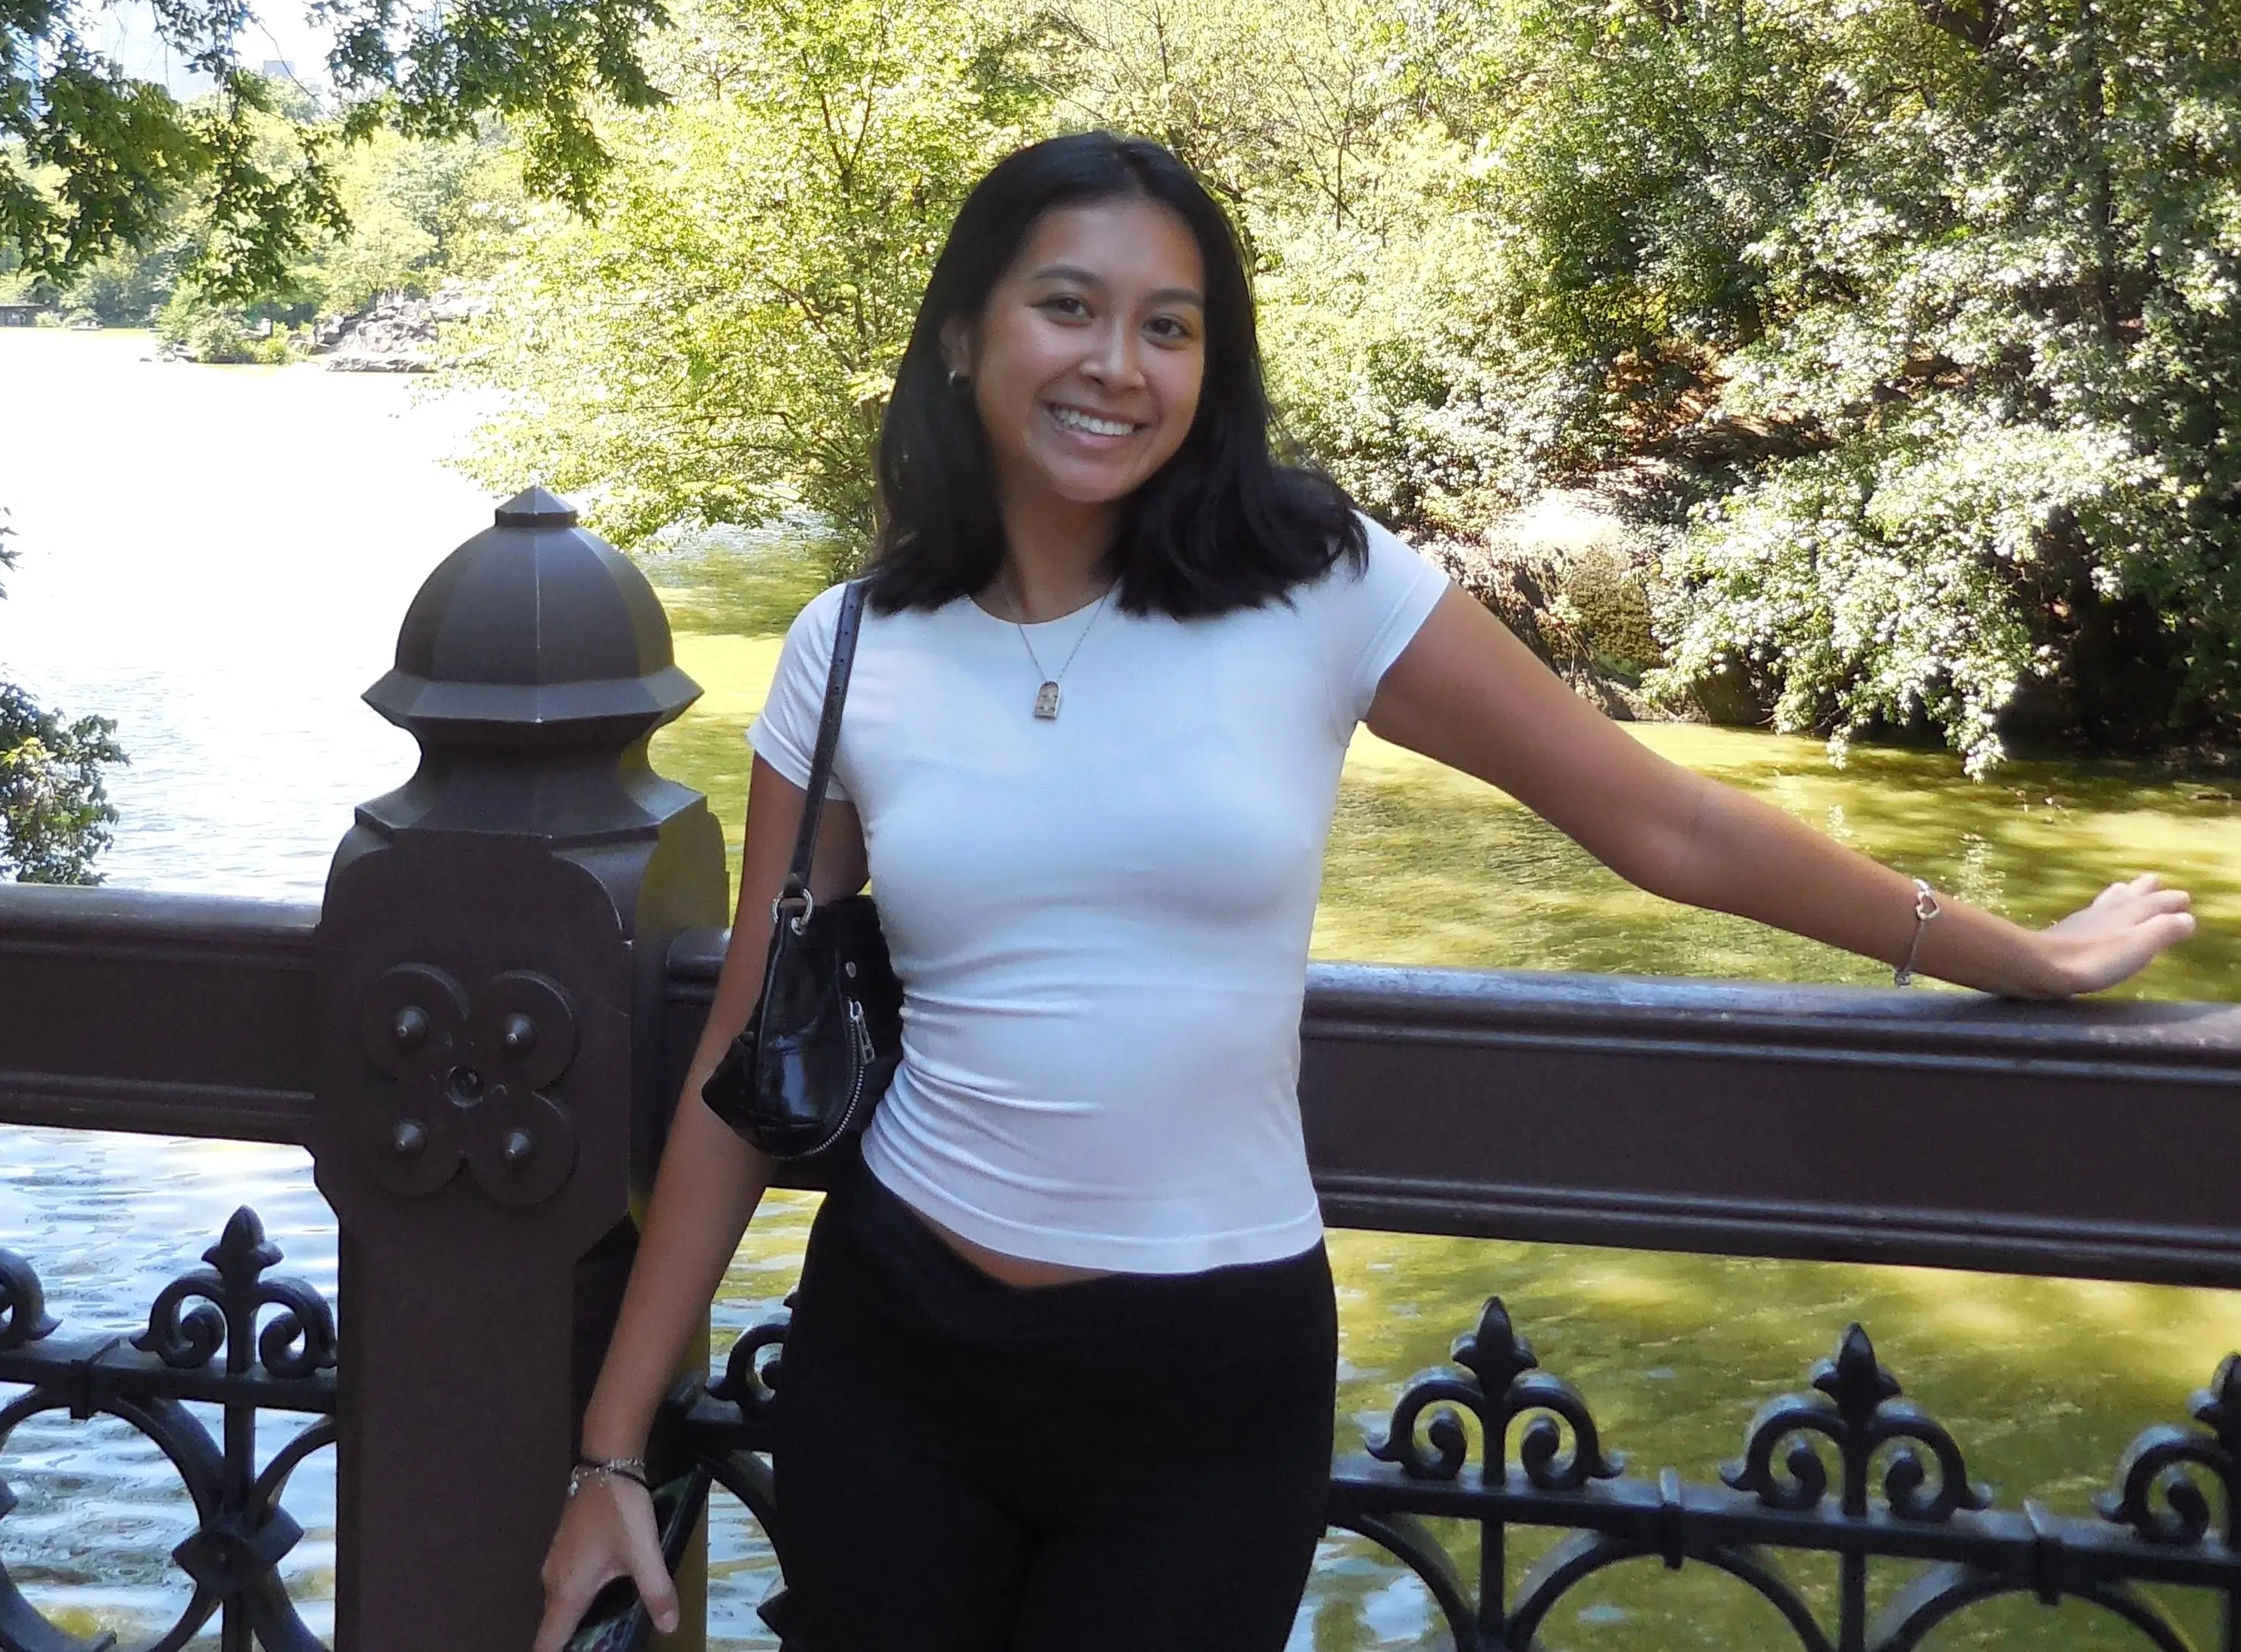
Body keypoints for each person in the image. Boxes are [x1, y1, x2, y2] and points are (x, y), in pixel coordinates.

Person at [531, 131, 2196, 1652]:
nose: (1117, 364)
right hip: (895, 1349)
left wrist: (2009, 951)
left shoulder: (1313, 584)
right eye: (1068, 306)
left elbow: (1662, 823)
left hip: (1205, 1375)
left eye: (1169, 326)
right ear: (964, 335)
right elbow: (746, 1045)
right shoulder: (852, 646)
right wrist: (610, 1451)